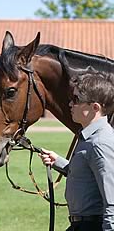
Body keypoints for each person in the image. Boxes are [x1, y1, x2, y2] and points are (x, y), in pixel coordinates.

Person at [39, 71, 114, 231]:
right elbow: (87, 175)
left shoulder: (100, 143)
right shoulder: (89, 137)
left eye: (76, 99)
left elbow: (112, 199)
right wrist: (58, 162)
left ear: (95, 107)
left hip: (92, 226)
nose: (70, 104)